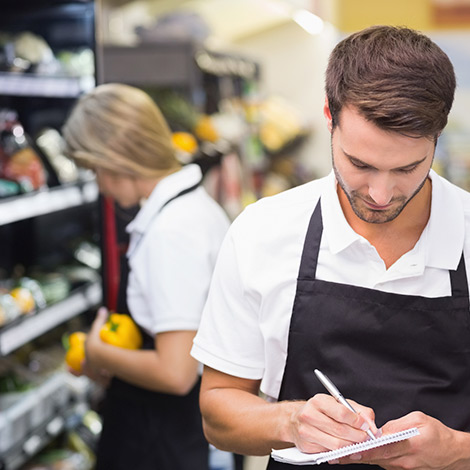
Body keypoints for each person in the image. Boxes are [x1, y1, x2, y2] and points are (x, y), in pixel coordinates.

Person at [190, 25, 470, 470]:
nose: (381, 194)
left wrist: (458, 450)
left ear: (438, 136)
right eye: (360, 164)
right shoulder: (263, 232)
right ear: (329, 117)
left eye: (407, 168)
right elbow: (217, 414)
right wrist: (290, 420)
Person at [62, 83, 230, 470]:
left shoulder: (172, 231)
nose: (98, 184)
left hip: (160, 440)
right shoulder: (191, 207)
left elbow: (176, 373)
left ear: (114, 159)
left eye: (93, 169)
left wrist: (98, 353)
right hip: (170, 433)